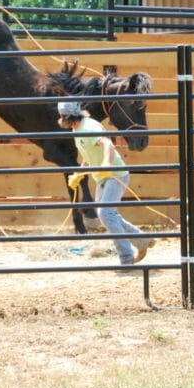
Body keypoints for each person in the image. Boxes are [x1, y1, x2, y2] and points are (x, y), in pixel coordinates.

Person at [58, 100, 155, 266]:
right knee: (109, 215)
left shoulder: (89, 127)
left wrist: (106, 164)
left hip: (114, 174)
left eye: (60, 115)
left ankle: (126, 258)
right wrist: (79, 174)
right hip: (103, 177)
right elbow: (89, 154)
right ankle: (143, 239)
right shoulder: (78, 129)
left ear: (66, 116)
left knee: (105, 214)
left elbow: (108, 144)